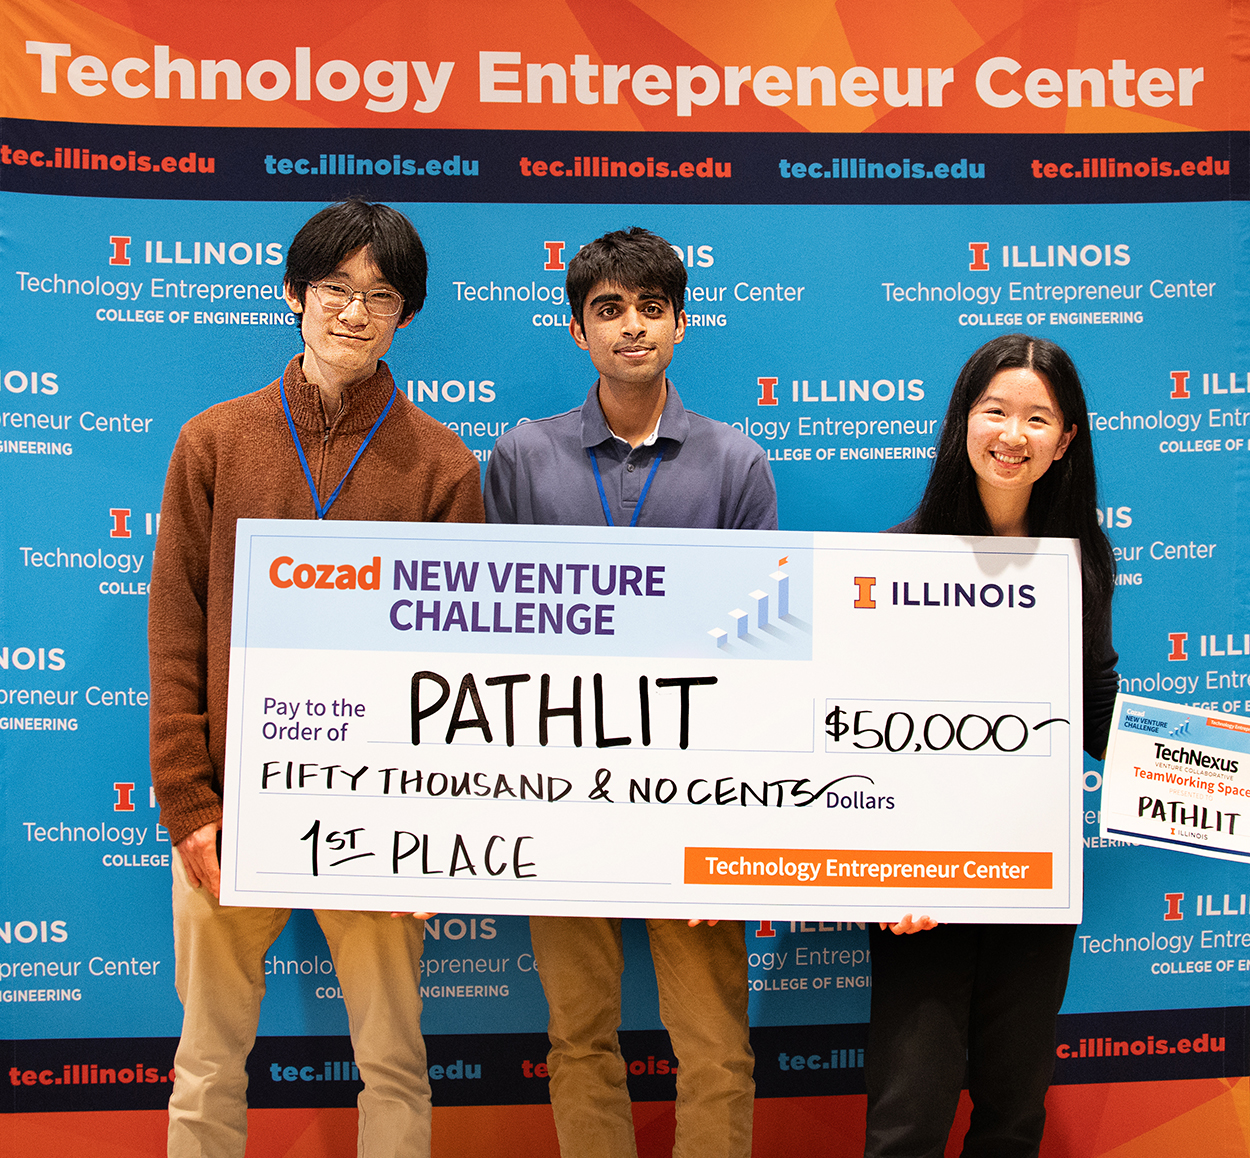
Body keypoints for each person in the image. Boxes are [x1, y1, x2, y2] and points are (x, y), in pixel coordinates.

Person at [148, 200, 484, 1158]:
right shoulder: (213, 442)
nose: (353, 312)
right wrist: (189, 805)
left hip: (381, 816)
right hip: (233, 812)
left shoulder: (443, 466)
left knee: (394, 1060)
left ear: (406, 315)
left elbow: (459, 673)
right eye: (334, 289)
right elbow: (174, 629)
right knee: (207, 1061)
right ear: (294, 296)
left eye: (380, 296)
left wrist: (430, 824)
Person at [484, 227, 776, 1157]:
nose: (632, 327)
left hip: (696, 795)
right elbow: (490, 632)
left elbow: (759, 650)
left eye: (652, 307)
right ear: (578, 330)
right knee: (578, 1039)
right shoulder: (523, 458)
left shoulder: (735, 462)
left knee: (717, 1046)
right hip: (558, 790)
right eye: (608, 309)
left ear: (682, 323)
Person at [863, 333, 1118, 1158]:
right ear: (962, 423)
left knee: (1012, 1112)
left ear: (1066, 439)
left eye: (1038, 418)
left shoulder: (1082, 561)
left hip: (1032, 871)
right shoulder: (900, 560)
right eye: (996, 411)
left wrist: (1200, 774)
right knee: (911, 1115)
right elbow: (861, 730)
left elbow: (1095, 703)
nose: (1014, 434)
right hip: (923, 882)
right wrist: (888, 869)